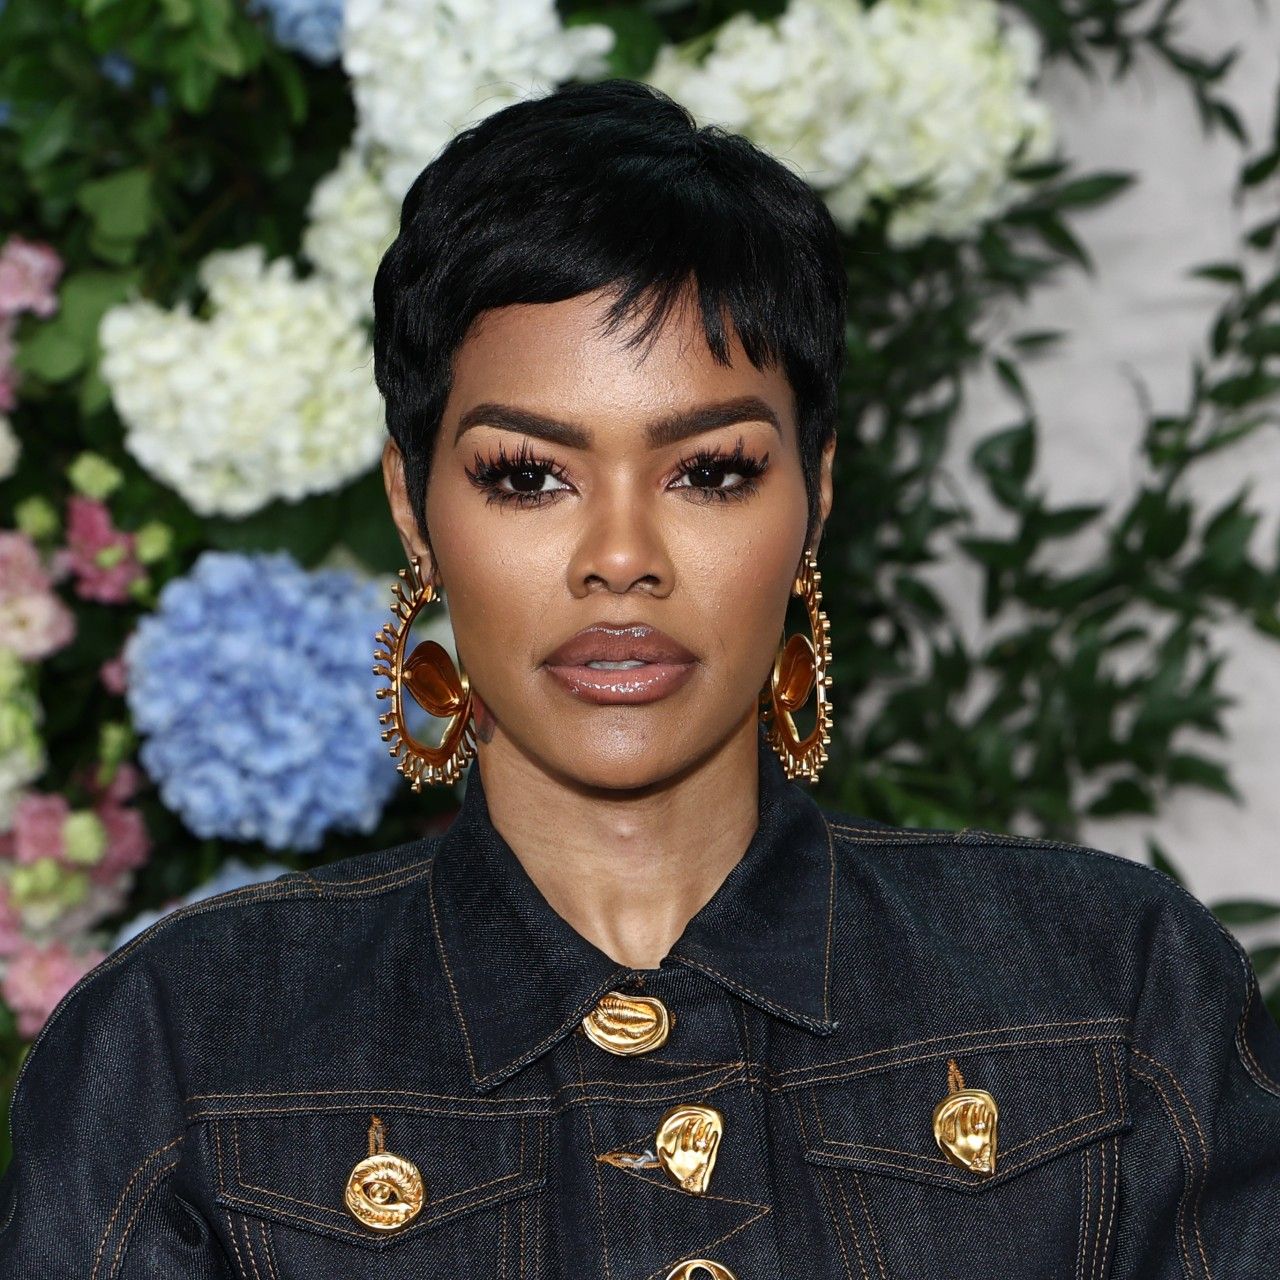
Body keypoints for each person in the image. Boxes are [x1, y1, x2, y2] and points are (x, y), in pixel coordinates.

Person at [1, 78, 1278, 1280]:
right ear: (413, 505)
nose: (620, 557)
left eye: (709, 470)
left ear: (814, 497)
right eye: (527, 473)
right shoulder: (178, 1046)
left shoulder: (1116, 990)